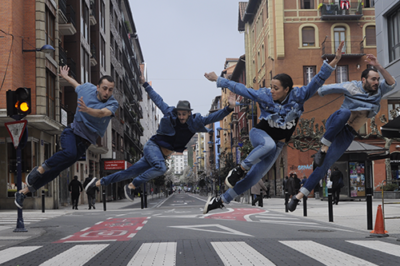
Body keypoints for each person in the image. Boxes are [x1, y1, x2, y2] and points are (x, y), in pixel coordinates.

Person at [202, 41, 345, 214]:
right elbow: (242, 89)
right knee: (267, 145)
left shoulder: (299, 96)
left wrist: (335, 61)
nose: (271, 91)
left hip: (278, 144)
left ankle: (220, 201)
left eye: (276, 88)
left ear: (287, 90)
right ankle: (239, 169)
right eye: (271, 87)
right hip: (260, 134)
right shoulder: (264, 95)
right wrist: (218, 79)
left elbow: (318, 80)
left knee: (255, 177)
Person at [85, 76, 236, 199]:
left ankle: (96, 183)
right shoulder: (170, 113)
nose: (181, 117)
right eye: (179, 113)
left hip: (160, 155)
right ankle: (131, 186)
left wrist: (229, 108)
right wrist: (145, 84)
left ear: (189, 113)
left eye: (184, 114)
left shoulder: (196, 121)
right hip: (153, 146)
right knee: (161, 168)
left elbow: (213, 117)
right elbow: (158, 100)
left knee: (128, 172)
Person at [288, 54, 397, 211]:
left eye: (377, 79)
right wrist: (294, 97)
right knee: (345, 113)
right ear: (363, 80)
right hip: (337, 122)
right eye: (373, 79)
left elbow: (392, 83)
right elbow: (321, 89)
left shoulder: (379, 90)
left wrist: (378, 66)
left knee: (324, 166)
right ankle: (323, 148)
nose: (376, 82)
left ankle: (297, 197)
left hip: (347, 134)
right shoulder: (351, 86)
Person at [14, 65, 118, 209]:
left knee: (55, 172)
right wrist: (66, 76)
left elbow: (103, 113)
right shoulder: (87, 89)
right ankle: (39, 170)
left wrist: (88, 110)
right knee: (69, 153)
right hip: (71, 133)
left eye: (110, 90)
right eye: (105, 88)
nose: (107, 92)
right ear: (98, 87)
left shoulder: (112, 103)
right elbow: (76, 85)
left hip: (84, 144)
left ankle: (23, 193)